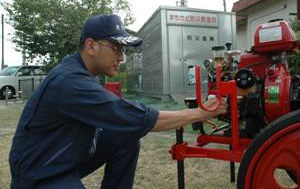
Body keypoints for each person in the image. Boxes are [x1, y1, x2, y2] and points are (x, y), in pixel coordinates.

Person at [9, 14, 227, 189]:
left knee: (127, 135)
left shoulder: (81, 73)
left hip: (64, 158)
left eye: (123, 50)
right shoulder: (70, 81)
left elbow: (123, 118)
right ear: (91, 45)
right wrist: (200, 113)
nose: (122, 57)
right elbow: (131, 115)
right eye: (116, 48)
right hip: (39, 173)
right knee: (131, 124)